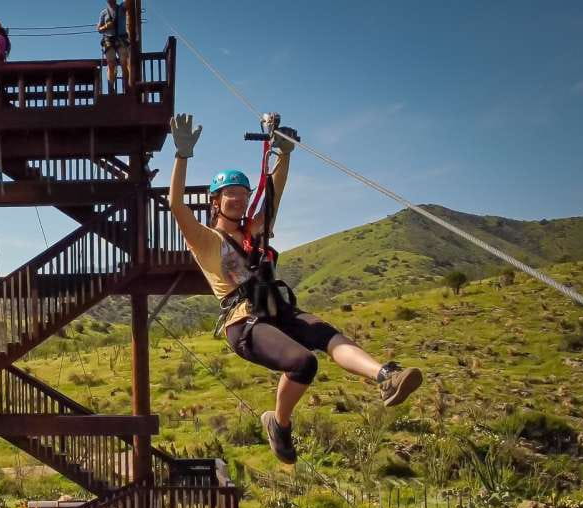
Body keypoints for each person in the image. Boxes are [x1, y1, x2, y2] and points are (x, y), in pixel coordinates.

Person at [165, 113, 423, 464]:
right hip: (246, 322)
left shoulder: (255, 231)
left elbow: (275, 192)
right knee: (303, 362)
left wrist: (284, 153)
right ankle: (279, 424)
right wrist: (182, 156)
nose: (238, 199)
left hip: (278, 309)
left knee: (330, 336)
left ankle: (385, 377)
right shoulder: (207, 241)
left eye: (243, 193)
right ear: (215, 202)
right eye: (230, 195)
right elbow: (177, 207)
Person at [97, 0, 131, 93]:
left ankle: (126, 87)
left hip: (121, 38)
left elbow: (128, 2)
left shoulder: (122, 7)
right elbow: (98, 29)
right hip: (108, 39)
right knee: (111, 64)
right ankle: (111, 88)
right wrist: (106, 26)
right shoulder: (103, 13)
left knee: (124, 63)